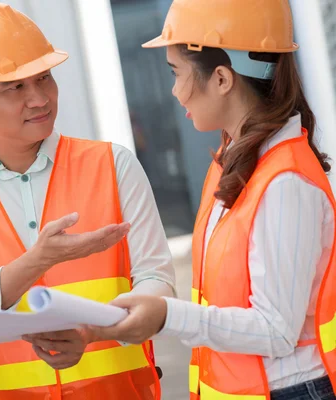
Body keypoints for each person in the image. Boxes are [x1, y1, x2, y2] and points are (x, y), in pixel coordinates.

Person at [0, 2, 176, 399]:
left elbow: (158, 285)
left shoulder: (113, 165)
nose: (39, 98)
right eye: (15, 88)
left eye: (44, 78)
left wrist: (96, 333)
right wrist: (35, 261)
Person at [89, 0, 336, 399]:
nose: (173, 90)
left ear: (221, 79)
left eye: (177, 73)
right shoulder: (233, 161)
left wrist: (167, 316)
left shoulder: (284, 182)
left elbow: (275, 330)